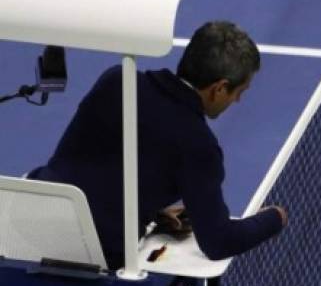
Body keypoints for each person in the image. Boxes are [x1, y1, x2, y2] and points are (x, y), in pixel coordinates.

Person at [29, 21, 287, 269]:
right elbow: (219, 242)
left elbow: (98, 169)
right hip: (91, 257)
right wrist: (274, 218)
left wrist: (151, 211)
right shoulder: (198, 144)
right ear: (219, 88)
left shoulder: (117, 80)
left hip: (28, 222)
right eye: (238, 92)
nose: (238, 100)